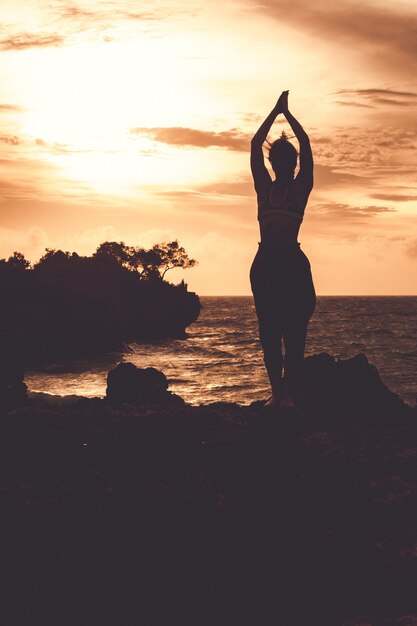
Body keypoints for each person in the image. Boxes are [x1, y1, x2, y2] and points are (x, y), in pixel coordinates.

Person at [250, 90, 316, 409]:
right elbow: (254, 145)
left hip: (292, 266)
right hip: (265, 267)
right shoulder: (264, 188)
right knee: (269, 334)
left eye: (288, 159)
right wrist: (275, 110)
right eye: (280, 158)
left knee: (294, 334)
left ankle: (287, 395)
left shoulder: (300, 189)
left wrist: (287, 115)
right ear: (274, 162)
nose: (285, 162)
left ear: (293, 163)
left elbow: (305, 145)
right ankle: (277, 393)